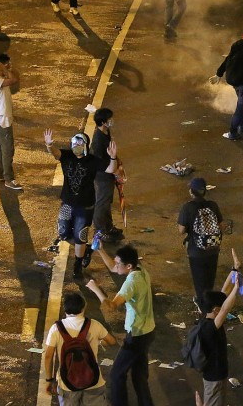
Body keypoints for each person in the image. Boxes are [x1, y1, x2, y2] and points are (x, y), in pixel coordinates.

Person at [86, 245, 155, 406]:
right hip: (148, 331)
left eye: (118, 263)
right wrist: (101, 249)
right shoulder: (141, 270)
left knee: (117, 374)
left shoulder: (131, 283)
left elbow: (111, 306)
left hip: (137, 335)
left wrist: (96, 289)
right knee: (139, 376)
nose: (115, 266)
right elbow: (113, 267)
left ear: (128, 266)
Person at [45, 128, 118, 278]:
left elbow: (111, 169)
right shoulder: (66, 156)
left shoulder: (92, 161)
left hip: (85, 207)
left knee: (80, 236)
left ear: (85, 145)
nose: (76, 146)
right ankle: (87, 249)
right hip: (67, 203)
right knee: (63, 233)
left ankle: (77, 265)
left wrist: (113, 157)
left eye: (79, 143)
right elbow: (55, 153)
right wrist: (49, 145)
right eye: (74, 143)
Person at [43, 292, 117, 405]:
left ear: (65, 309)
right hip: (94, 381)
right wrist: (100, 342)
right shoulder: (94, 325)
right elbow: (112, 341)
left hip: (67, 383)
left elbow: (48, 356)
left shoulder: (56, 329)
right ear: (83, 307)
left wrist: (49, 380)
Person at [193, 261, 241, 406]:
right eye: (220, 308)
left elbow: (224, 291)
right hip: (214, 378)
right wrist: (237, 289)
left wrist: (234, 270)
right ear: (215, 310)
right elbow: (226, 307)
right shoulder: (210, 328)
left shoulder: (206, 315)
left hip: (213, 375)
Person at [178, 177, 224, 310]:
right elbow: (221, 226)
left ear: (191, 192)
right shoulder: (213, 205)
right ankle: (208, 303)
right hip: (213, 248)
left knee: (199, 282)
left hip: (196, 251)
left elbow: (181, 230)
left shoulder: (187, 207)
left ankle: (204, 311)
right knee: (210, 280)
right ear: (204, 191)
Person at [90, 107, 123, 242]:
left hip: (109, 171)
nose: (112, 121)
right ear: (103, 122)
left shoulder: (106, 131)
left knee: (107, 202)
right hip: (102, 175)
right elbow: (99, 162)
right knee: (102, 203)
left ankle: (108, 227)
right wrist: (115, 172)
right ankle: (100, 231)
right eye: (109, 119)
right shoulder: (98, 140)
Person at [0, 54, 21, 190]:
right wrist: (4, 69)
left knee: (0, 146)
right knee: (8, 149)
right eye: (7, 64)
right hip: (2, 119)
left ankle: (0, 173)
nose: (9, 67)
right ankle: (9, 178)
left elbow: (16, 77)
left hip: (2, 118)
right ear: (0, 65)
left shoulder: (1, 77)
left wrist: (8, 68)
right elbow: (14, 80)